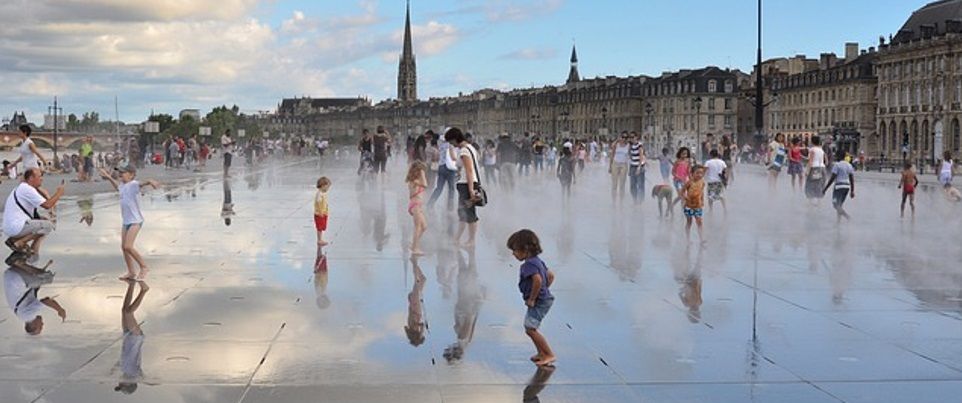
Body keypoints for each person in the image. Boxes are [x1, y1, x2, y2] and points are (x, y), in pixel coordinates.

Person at [100, 166, 160, 280]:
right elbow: (117, 187)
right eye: (120, 172)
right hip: (126, 221)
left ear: (131, 174)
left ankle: (144, 267)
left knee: (128, 246)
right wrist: (108, 177)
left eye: (123, 172)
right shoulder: (122, 185)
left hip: (135, 221)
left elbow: (141, 184)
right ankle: (131, 272)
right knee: (123, 247)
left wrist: (150, 181)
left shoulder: (133, 184)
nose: (121, 174)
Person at [507, 229, 556, 367]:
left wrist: (533, 298)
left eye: (515, 250)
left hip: (539, 302)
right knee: (530, 327)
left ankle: (548, 354)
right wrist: (545, 291)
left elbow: (538, 280)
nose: (513, 254)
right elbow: (550, 275)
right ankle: (541, 353)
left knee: (530, 328)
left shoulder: (529, 265)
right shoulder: (537, 261)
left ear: (526, 249)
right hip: (544, 299)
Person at [3, 168, 64, 257]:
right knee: (49, 225)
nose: (42, 179)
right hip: (15, 227)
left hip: (10, 227)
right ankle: (20, 242)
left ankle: (22, 246)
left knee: (43, 221)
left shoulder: (22, 188)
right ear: (31, 178)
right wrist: (59, 192)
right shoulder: (27, 189)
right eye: (39, 177)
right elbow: (47, 205)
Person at [4, 262, 62, 336]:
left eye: (41, 326)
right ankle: (21, 259)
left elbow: (46, 301)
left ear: (34, 326)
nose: (42, 323)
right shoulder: (22, 315)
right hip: (10, 274)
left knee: (47, 278)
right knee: (34, 258)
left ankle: (18, 262)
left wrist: (60, 310)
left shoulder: (28, 316)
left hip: (17, 278)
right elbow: (45, 299)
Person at [448, 128, 481, 248]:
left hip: (467, 185)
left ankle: (471, 241)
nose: (452, 145)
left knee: (470, 214)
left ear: (454, 139)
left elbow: (469, 170)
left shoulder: (464, 151)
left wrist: (471, 190)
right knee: (463, 212)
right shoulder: (470, 148)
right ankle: (457, 239)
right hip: (467, 184)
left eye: (451, 142)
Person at [115, 279, 148, 395]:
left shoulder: (124, 369)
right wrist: (149, 382)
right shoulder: (134, 373)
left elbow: (120, 361)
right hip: (135, 338)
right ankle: (144, 290)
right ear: (129, 383)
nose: (119, 382)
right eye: (122, 384)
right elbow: (143, 378)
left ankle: (131, 285)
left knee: (124, 310)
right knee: (129, 313)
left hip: (127, 336)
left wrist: (110, 371)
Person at [822, 149, 856, 223]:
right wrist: (852, 191)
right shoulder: (849, 165)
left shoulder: (837, 165)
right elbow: (852, 179)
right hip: (846, 187)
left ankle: (847, 217)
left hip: (838, 187)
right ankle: (838, 221)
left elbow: (832, 178)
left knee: (835, 204)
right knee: (840, 205)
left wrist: (825, 189)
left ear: (838, 156)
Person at [427, 131, 458, 209]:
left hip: (441, 167)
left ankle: (430, 203)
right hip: (450, 168)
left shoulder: (440, 144)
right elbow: (453, 157)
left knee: (439, 188)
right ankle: (450, 207)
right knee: (451, 188)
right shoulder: (451, 145)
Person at [406, 162, 428, 256]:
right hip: (415, 205)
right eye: (422, 171)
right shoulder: (415, 181)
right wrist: (422, 173)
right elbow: (425, 184)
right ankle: (415, 248)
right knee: (418, 226)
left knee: (424, 226)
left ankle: (414, 244)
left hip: (418, 205)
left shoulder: (415, 180)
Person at [681, 166, 706, 244]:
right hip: (688, 206)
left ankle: (701, 239)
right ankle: (688, 239)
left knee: (699, 222)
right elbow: (682, 191)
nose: (699, 175)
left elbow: (702, 192)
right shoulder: (689, 182)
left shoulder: (702, 182)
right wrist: (685, 198)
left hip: (698, 205)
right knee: (689, 222)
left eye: (701, 173)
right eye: (697, 173)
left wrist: (702, 201)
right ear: (692, 174)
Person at [608, 133, 631, 203]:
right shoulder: (616, 145)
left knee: (622, 184)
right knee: (614, 184)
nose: (624, 139)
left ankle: (621, 201)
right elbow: (612, 154)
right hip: (615, 164)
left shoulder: (628, 146)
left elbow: (630, 156)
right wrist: (610, 166)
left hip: (624, 165)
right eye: (623, 137)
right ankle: (613, 201)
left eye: (626, 137)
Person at [805, 136, 828, 202]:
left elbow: (811, 161)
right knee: (819, 184)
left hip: (814, 168)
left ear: (812, 141)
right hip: (822, 168)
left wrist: (807, 171)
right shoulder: (821, 150)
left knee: (810, 185)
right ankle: (819, 201)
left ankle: (810, 203)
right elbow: (826, 161)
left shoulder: (812, 149)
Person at [669, 147, 692, 213]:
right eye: (683, 154)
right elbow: (673, 172)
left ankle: (683, 211)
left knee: (683, 197)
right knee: (681, 196)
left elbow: (688, 172)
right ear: (680, 154)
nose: (684, 155)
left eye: (686, 154)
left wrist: (691, 180)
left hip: (684, 181)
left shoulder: (688, 162)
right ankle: (672, 206)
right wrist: (678, 176)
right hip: (677, 181)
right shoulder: (677, 161)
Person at [704, 150, 727, 214]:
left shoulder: (708, 162)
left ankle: (711, 210)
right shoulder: (722, 162)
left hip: (711, 181)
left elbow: (704, 171)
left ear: (711, 155)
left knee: (710, 196)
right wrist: (725, 180)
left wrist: (702, 178)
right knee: (721, 195)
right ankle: (725, 209)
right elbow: (725, 171)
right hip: (719, 181)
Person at [628, 132, 647, 204]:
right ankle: (634, 200)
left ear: (636, 137)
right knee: (632, 185)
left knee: (640, 184)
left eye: (633, 137)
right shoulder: (631, 145)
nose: (632, 138)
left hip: (639, 166)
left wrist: (639, 167)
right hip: (632, 166)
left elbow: (641, 156)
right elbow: (630, 156)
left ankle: (640, 201)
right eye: (630, 137)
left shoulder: (639, 145)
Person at [314, 177, 331, 246]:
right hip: (319, 214)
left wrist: (326, 210)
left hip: (323, 213)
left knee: (322, 227)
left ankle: (320, 239)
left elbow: (325, 203)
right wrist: (321, 212)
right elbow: (318, 203)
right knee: (319, 227)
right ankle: (319, 240)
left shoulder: (323, 193)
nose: (328, 189)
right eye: (327, 187)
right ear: (323, 185)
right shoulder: (319, 194)